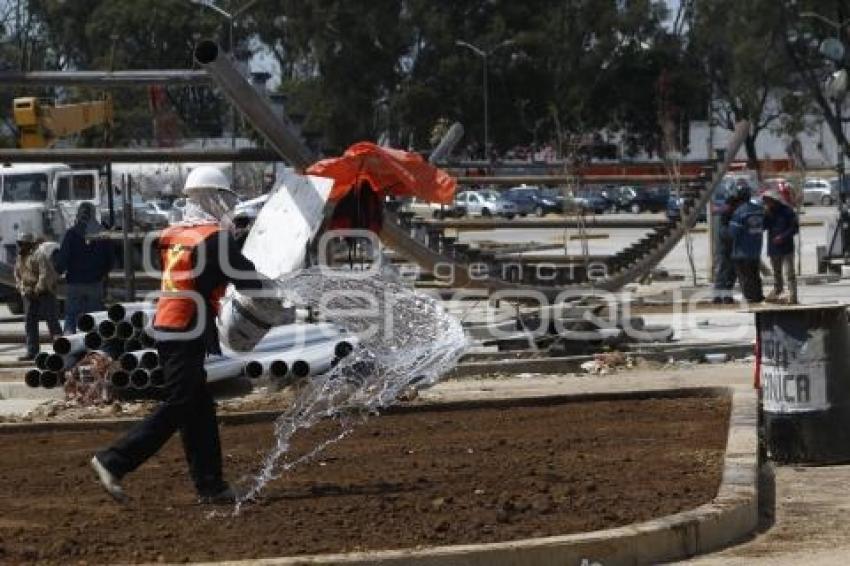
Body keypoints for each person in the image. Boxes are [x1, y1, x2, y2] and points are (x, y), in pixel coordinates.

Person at [91, 166, 264, 504]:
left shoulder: (175, 233)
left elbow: (207, 266)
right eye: (223, 198)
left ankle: (211, 485)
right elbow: (247, 280)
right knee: (181, 404)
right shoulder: (215, 238)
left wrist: (235, 242)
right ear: (214, 198)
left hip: (170, 325)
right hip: (187, 328)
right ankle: (113, 460)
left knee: (198, 408)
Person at [55, 202, 114, 334]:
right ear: (93, 214)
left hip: (74, 283)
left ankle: (68, 347)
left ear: (79, 214)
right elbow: (110, 261)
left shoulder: (71, 234)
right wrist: (102, 274)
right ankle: (93, 348)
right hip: (95, 283)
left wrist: (58, 272)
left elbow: (62, 260)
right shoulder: (102, 234)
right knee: (95, 318)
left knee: (71, 316)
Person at [14, 232, 62, 361]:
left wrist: (37, 289)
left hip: (44, 292)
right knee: (29, 323)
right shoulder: (20, 258)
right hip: (29, 294)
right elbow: (17, 275)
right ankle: (32, 351)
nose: (20, 246)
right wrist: (23, 289)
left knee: (52, 322)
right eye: (19, 244)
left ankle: (61, 350)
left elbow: (44, 274)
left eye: (22, 244)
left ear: (29, 244)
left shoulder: (39, 255)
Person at [728, 184, 765, 303]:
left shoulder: (739, 212)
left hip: (741, 251)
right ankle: (758, 296)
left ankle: (749, 297)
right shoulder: (759, 210)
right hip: (756, 249)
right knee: (755, 274)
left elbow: (733, 232)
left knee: (744, 276)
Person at [762, 189, 799, 304]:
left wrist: (782, 237)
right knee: (777, 273)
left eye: (768, 201)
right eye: (765, 201)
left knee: (790, 273)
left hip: (786, 247)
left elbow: (794, 228)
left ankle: (793, 296)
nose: (767, 203)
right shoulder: (768, 212)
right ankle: (778, 291)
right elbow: (763, 227)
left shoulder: (787, 211)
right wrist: (764, 215)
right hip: (774, 248)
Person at [713, 189, 745, 304]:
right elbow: (726, 231)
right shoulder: (730, 210)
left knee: (729, 271)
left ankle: (724, 296)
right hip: (727, 244)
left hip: (730, 244)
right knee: (726, 270)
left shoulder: (732, 209)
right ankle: (719, 296)